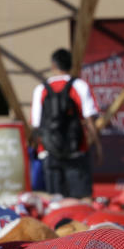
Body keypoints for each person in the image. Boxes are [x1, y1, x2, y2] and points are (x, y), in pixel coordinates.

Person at [30, 47, 101, 198]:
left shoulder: (41, 89)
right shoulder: (79, 85)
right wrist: (97, 146)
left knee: (55, 203)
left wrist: (37, 152)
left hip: (49, 152)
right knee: (81, 200)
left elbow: (35, 125)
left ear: (53, 66)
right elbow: (89, 119)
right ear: (71, 65)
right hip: (76, 151)